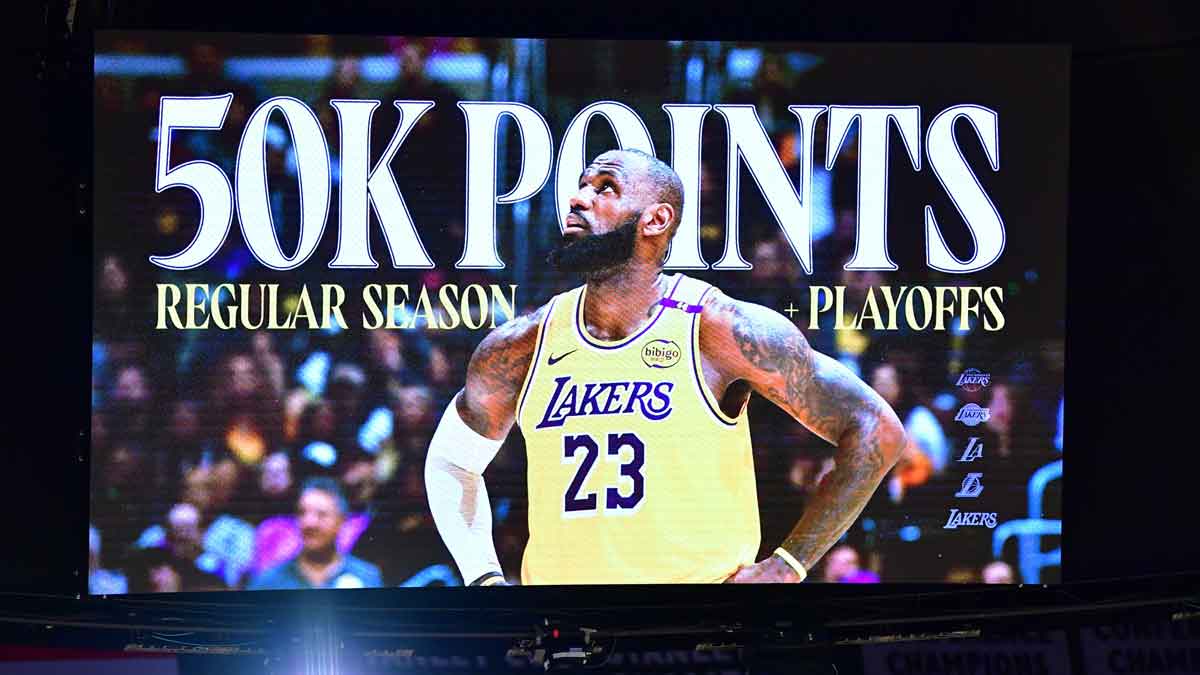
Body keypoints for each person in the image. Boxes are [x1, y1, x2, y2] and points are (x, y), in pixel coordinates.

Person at [424, 149, 906, 585]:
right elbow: (450, 464)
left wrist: (789, 564)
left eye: (605, 187)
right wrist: (483, 577)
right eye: (582, 184)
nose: (578, 197)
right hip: (565, 634)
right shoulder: (521, 345)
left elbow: (875, 429)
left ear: (656, 219)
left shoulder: (718, 329)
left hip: (696, 632)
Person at [247, 477, 382, 590]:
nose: (309, 523)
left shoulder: (367, 577)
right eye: (302, 513)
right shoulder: (269, 581)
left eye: (321, 515)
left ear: (341, 521)